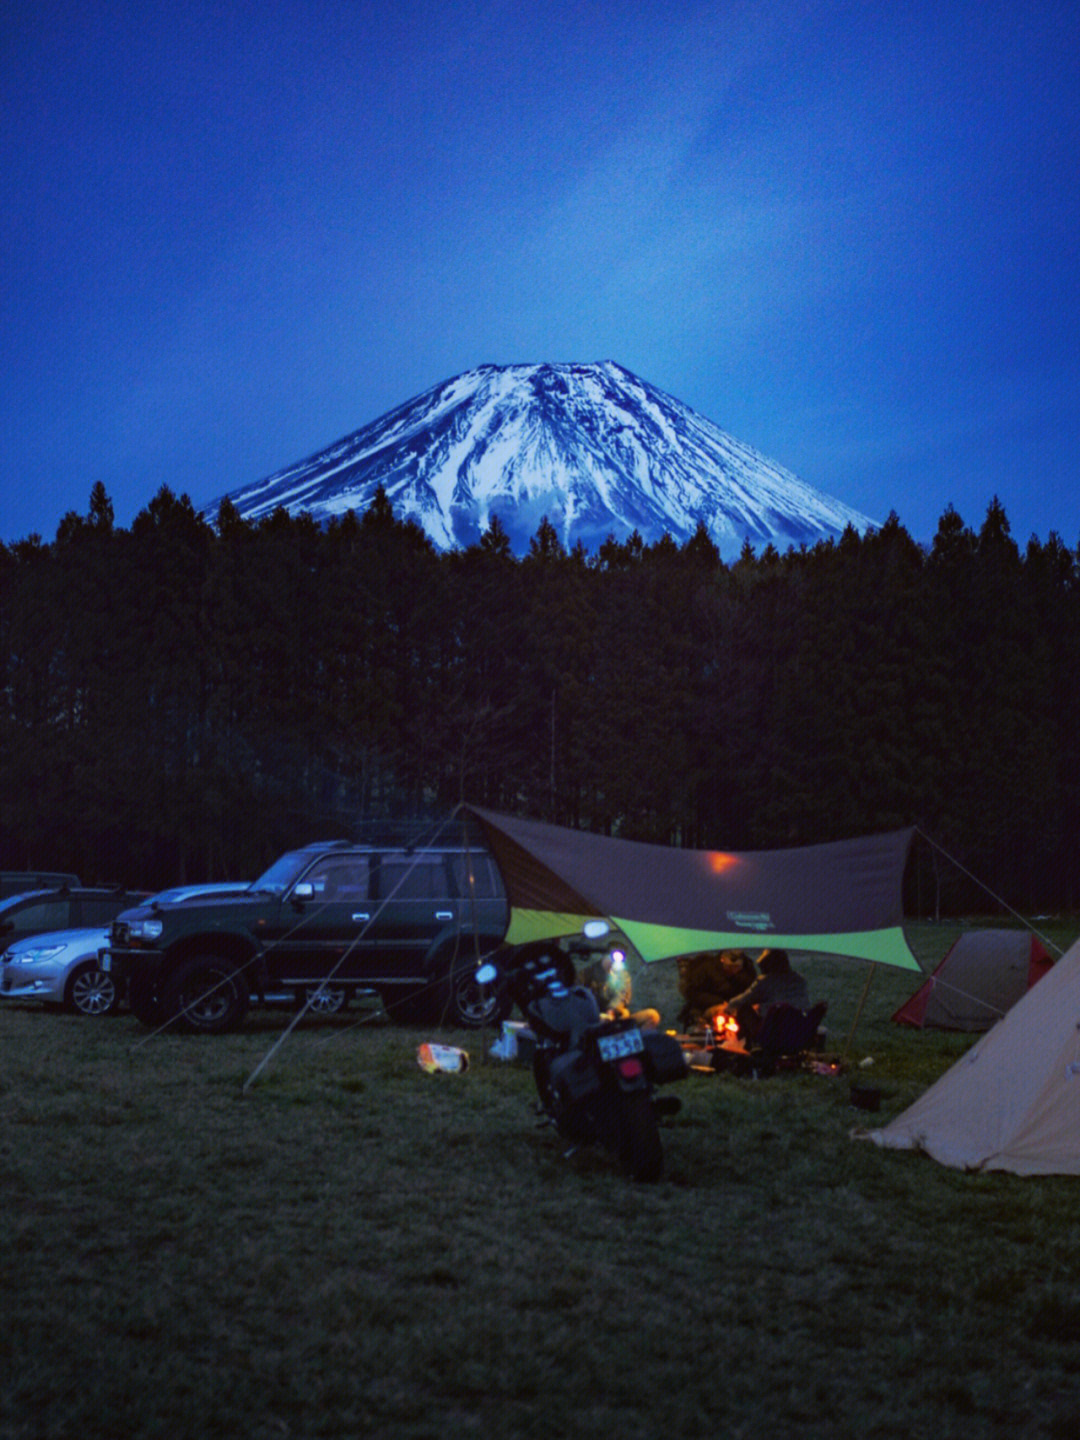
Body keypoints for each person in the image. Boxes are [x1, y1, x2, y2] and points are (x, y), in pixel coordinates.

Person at [711, 948, 810, 1044]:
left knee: (743, 1009)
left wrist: (729, 1006)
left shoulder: (767, 981)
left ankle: (745, 1046)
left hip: (773, 1030)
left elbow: (744, 999)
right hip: (798, 1028)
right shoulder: (799, 979)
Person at [676, 949, 758, 1029]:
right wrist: (720, 1002)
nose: (734, 971)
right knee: (723, 1014)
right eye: (730, 967)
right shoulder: (707, 969)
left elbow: (753, 989)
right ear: (722, 960)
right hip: (712, 1005)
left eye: (737, 967)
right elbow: (693, 993)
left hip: (739, 1004)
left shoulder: (747, 970)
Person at [581, 949, 660, 1030]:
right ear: (604, 957)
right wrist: (597, 1017)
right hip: (595, 1020)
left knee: (652, 1015)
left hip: (616, 1018)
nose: (614, 964)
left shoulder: (622, 975)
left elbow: (622, 996)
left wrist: (612, 1011)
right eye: (613, 959)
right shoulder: (587, 974)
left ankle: (637, 1040)